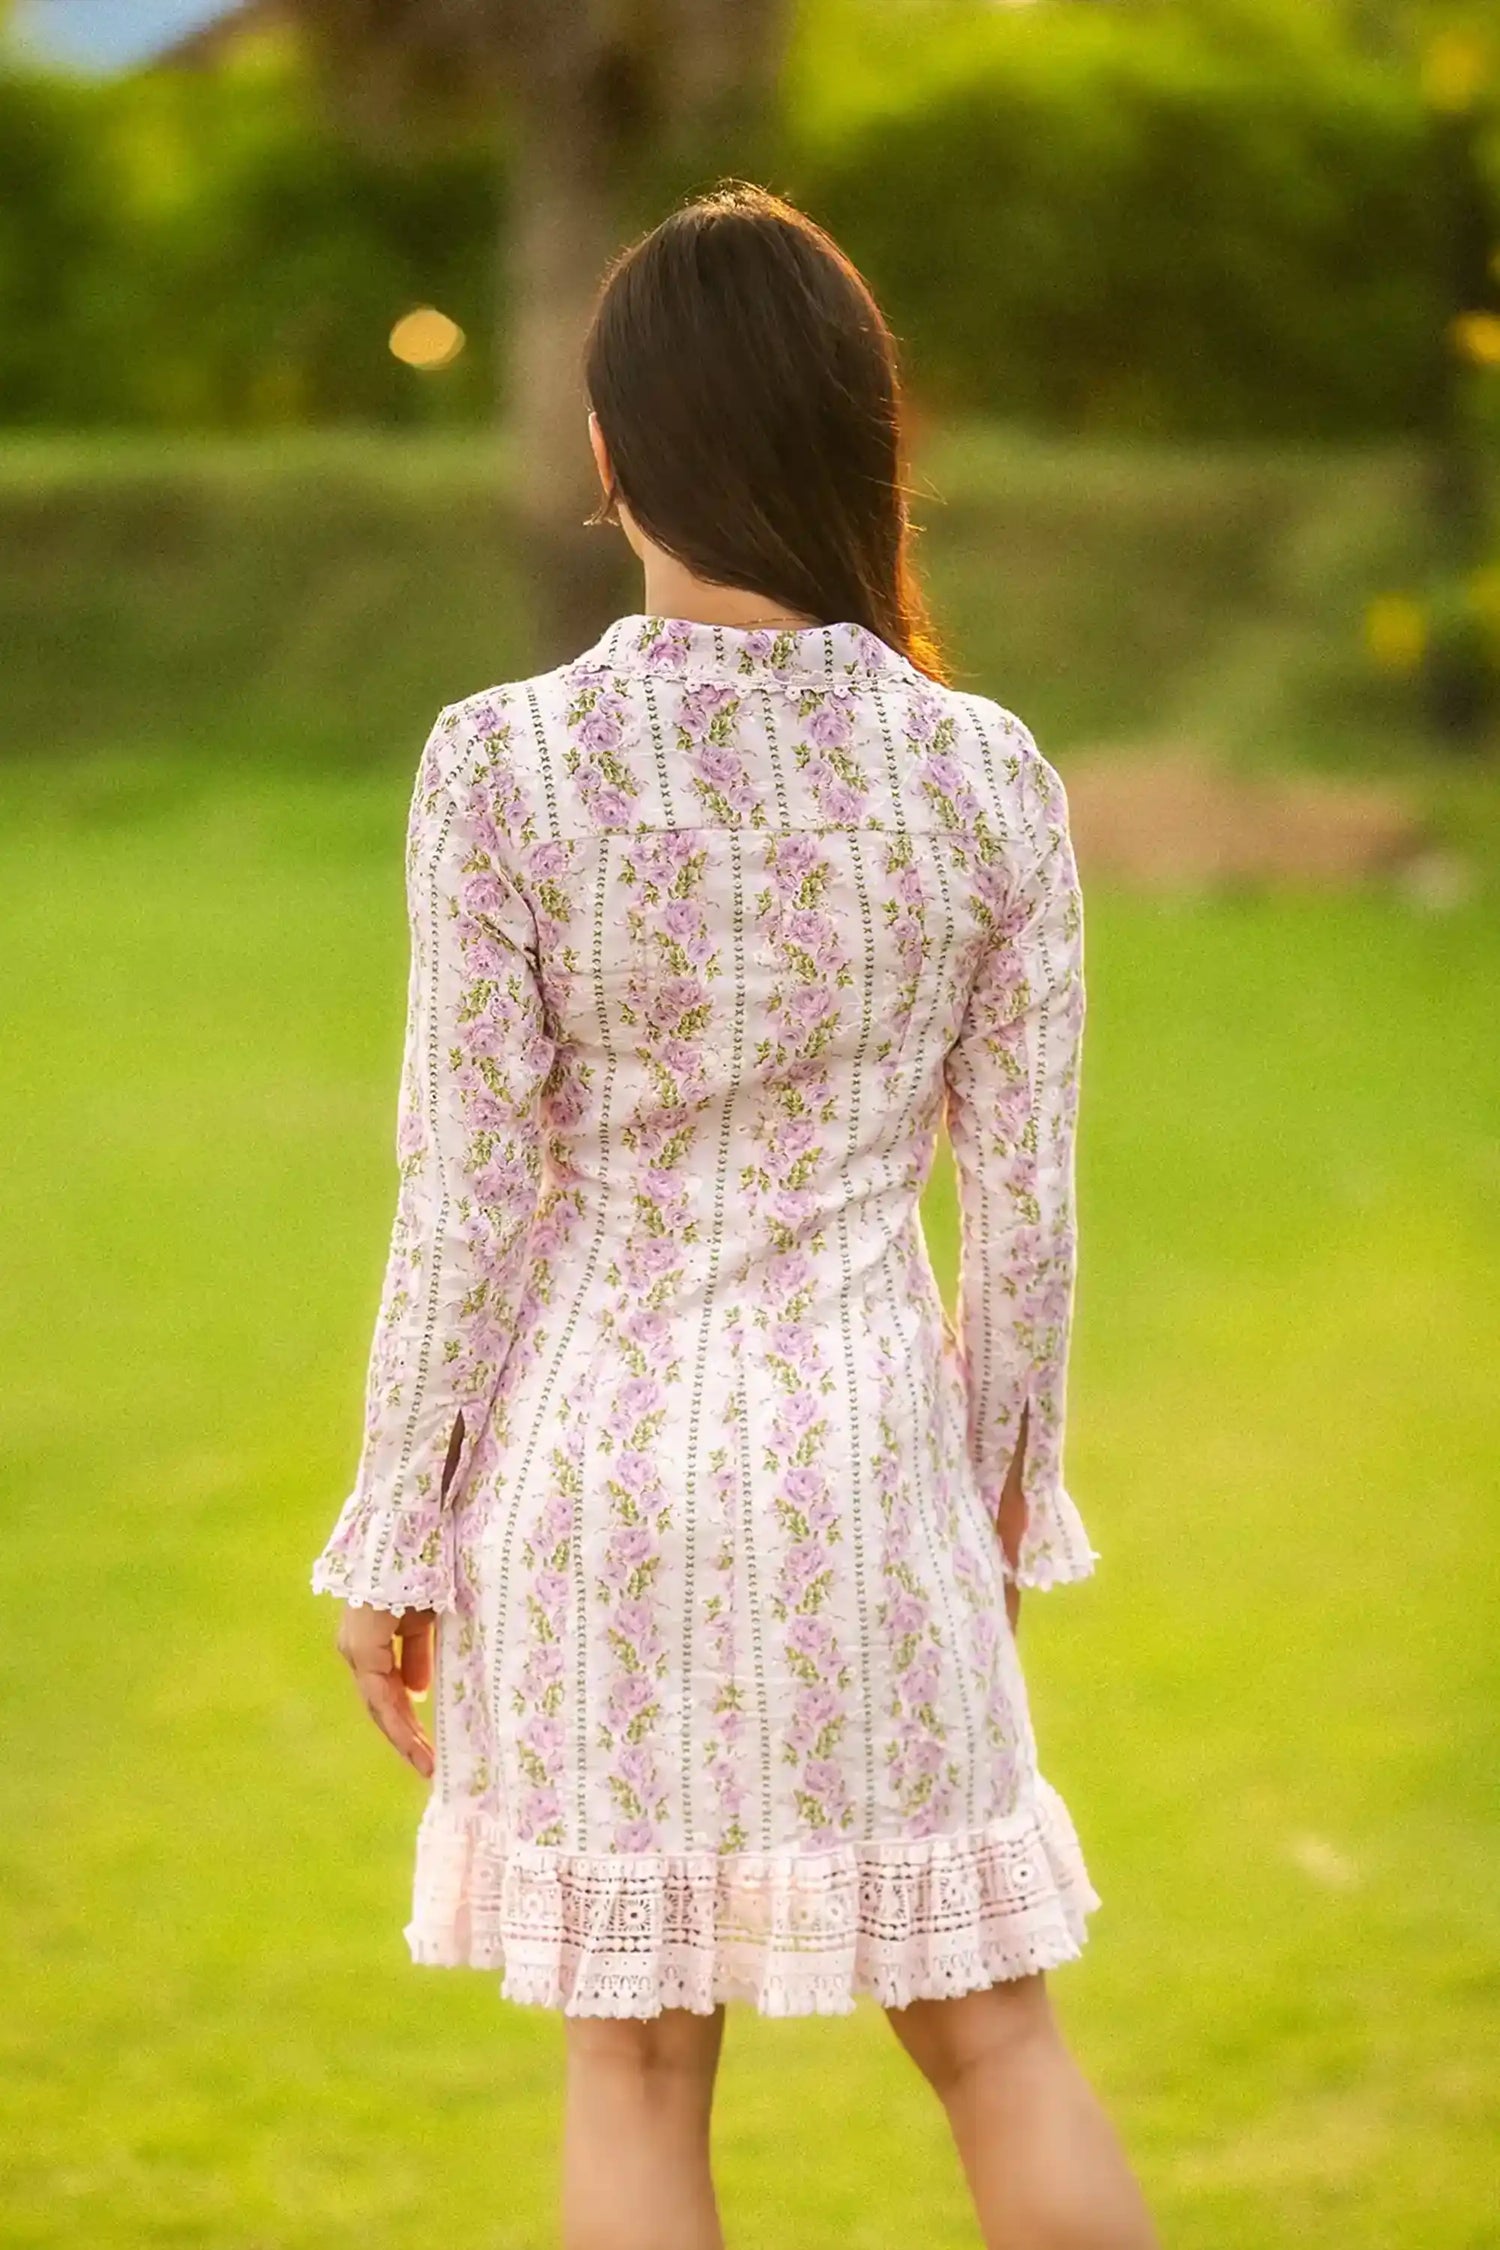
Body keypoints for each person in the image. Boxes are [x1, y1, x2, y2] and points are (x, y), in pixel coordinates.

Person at [310, 181, 1159, 2250]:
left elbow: (467, 1195)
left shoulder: (501, 767)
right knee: (995, 2044)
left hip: (583, 1484)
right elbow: (1027, 1219)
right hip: (871, 1476)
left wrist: (392, 1534)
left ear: (614, 451)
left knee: (632, 2062)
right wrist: (991, 1521)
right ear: (861, 440)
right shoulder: (982, 777)